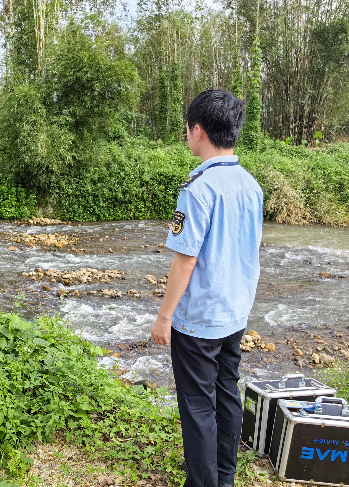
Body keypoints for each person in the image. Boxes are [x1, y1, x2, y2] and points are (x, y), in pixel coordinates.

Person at [150, 89, 263, 487]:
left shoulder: (198, 188)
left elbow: (185, 260)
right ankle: (225, 477)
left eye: (186, 128)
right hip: (235, 312)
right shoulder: (250, 183)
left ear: (197, 131)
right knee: (227, 392)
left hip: (199, 319)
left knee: (198, 406)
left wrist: (164, 317)